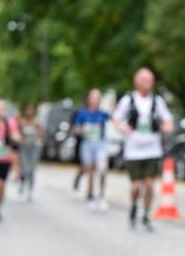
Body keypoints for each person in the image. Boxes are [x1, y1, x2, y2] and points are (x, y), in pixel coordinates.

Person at [113, 68, 174, 231]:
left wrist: (166, 128)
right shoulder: (128, 100)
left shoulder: (157, 101)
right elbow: (116, 119)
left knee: (149, 184)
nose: (149, 84)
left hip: (152, 148)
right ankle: (134, 205)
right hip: (133, 149)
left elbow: (168, 120)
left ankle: (146, 214)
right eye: (145, 80)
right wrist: (124, 129)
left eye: (151, 80)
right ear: (137, 82)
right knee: (136, 186)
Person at [73, 88, 111, 211]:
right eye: (93, 98)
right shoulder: (82, 114)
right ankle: (90, 195)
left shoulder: (103, 114)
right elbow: (75, 129)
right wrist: (83, 129)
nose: (96, 100)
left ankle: (101, 195)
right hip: (87, 144)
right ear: (88, 99)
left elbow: (114, 120)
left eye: (98, 98)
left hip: (100, 143)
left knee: (102, 168)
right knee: (90, 170)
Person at [17, 103, 44, 202]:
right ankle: (23, 183)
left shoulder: (36, 122)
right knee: (25, 168)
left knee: (32, 169)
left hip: (33, 147)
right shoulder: (22, 122)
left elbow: (41, 134)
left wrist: (39, 138)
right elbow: (17, 133)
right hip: (24, 147)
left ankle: (30, 190)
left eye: (31, 110)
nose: (29, 112)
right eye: (27, 110)